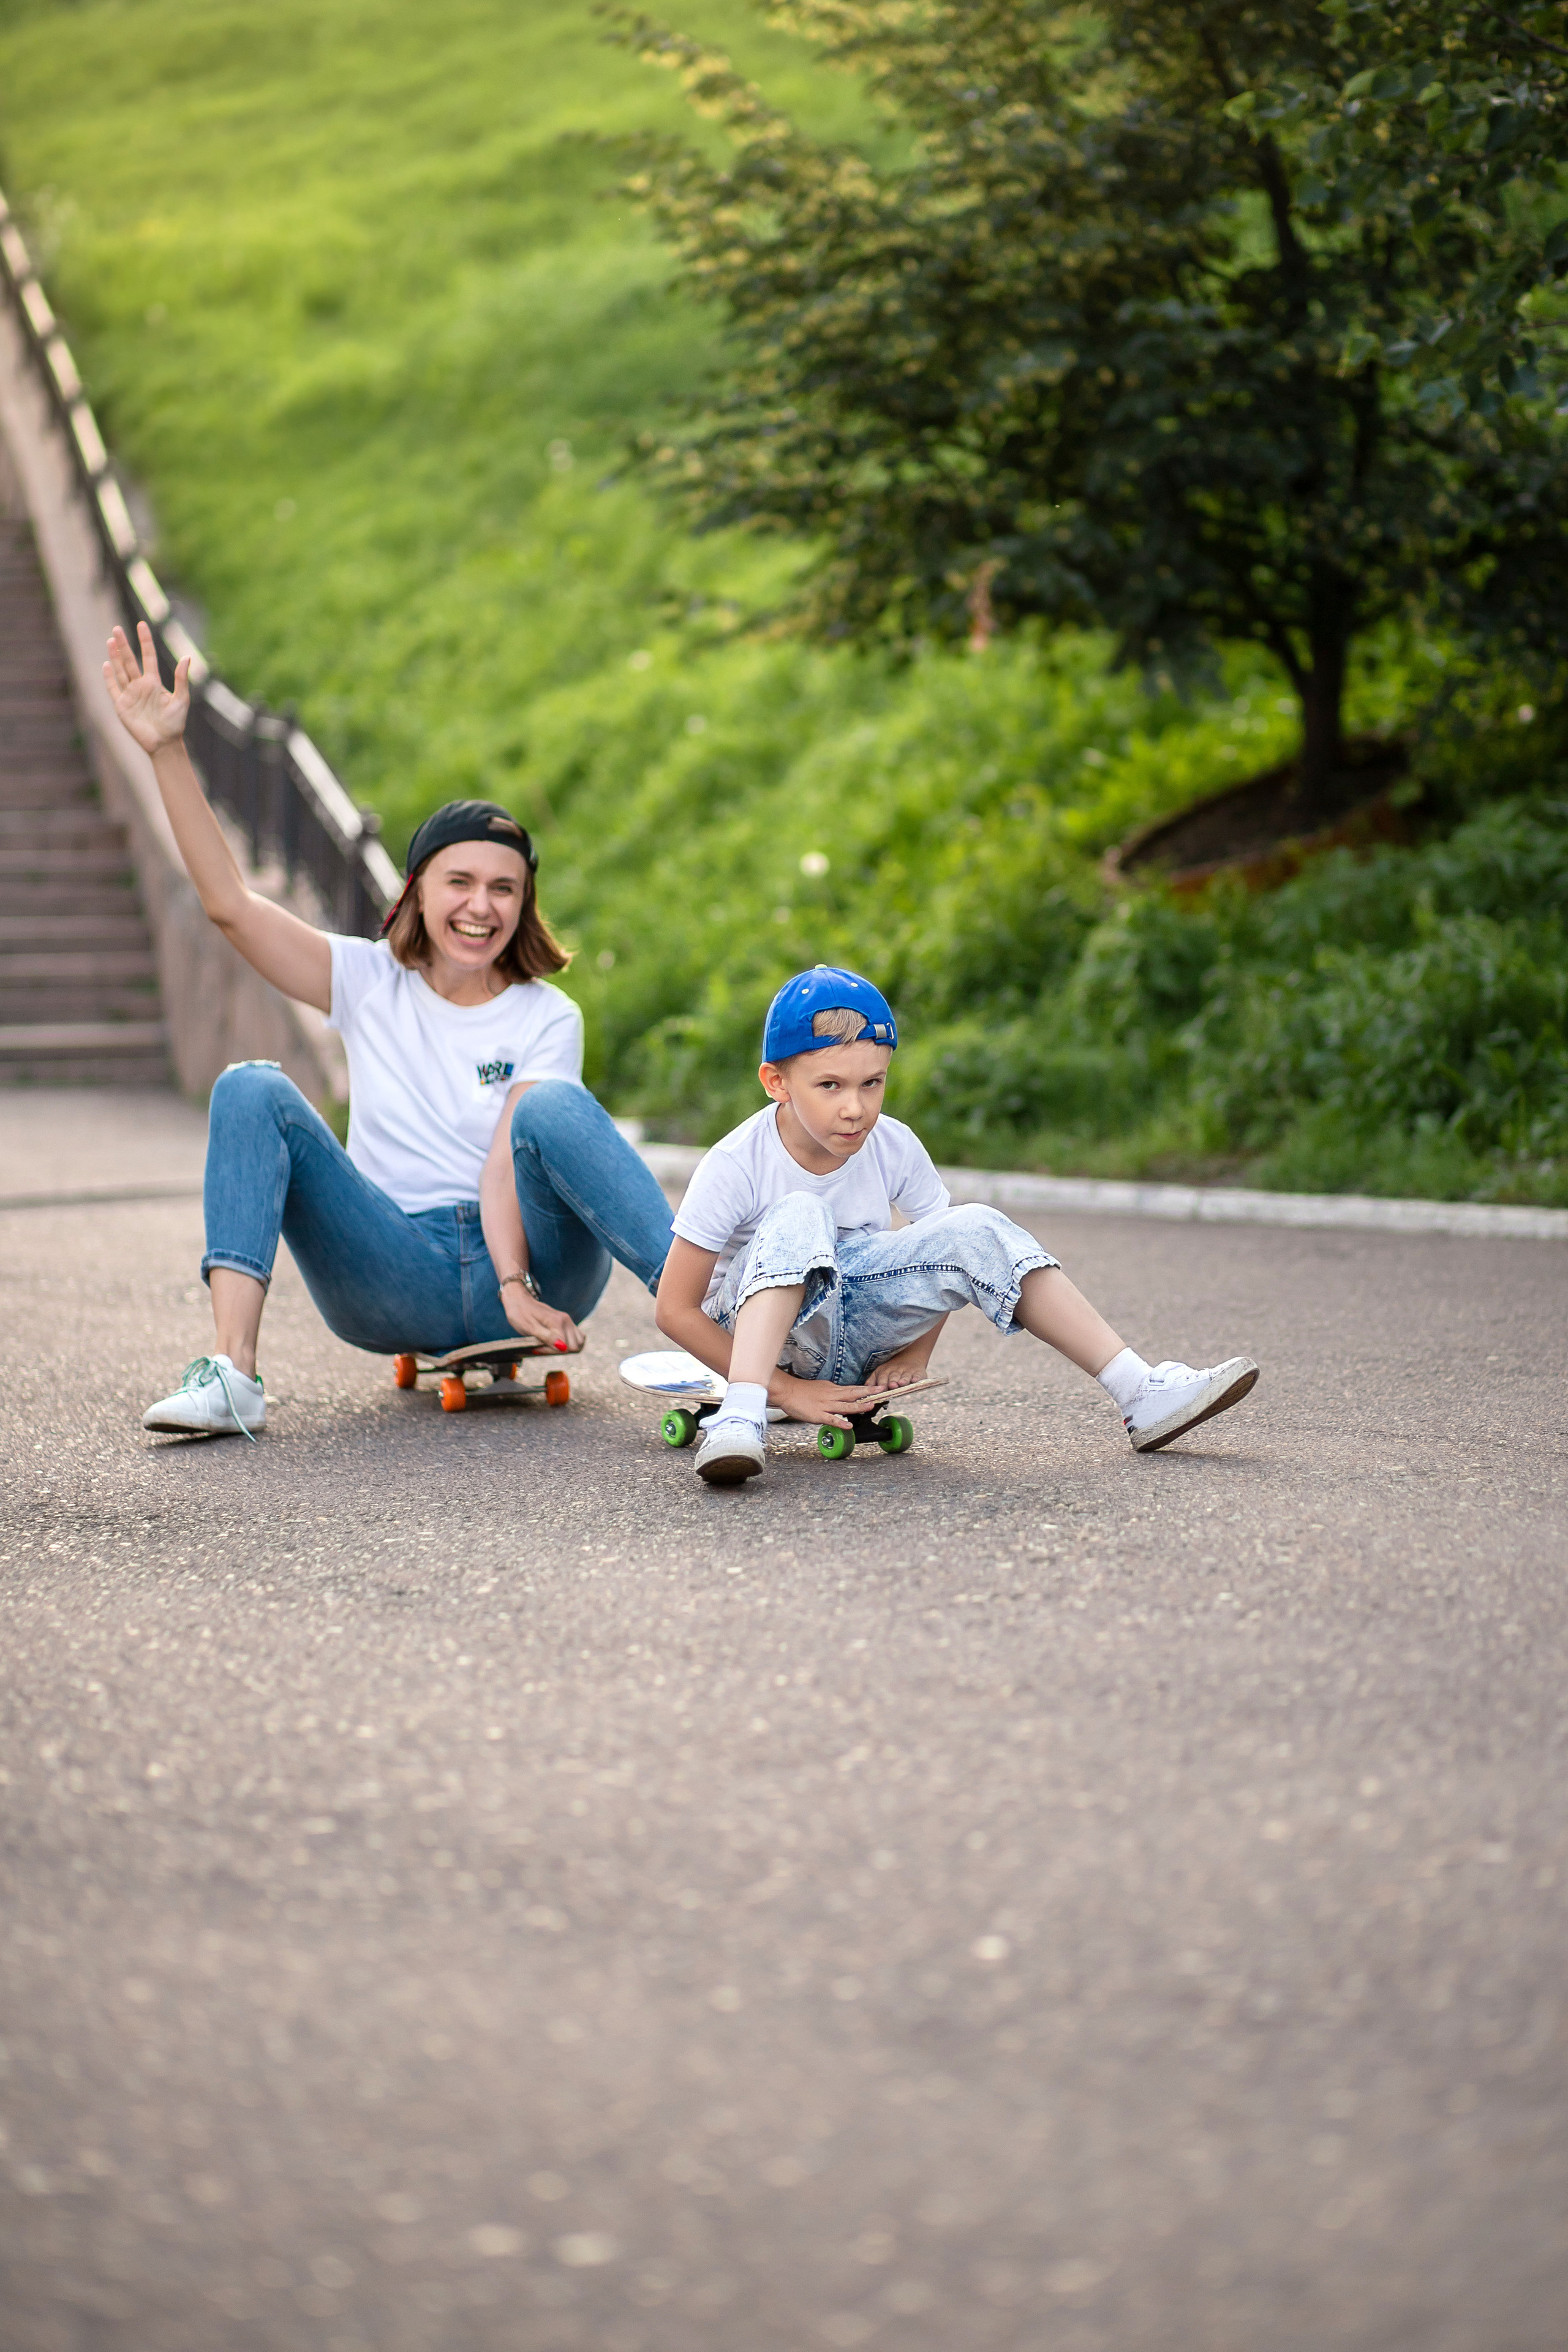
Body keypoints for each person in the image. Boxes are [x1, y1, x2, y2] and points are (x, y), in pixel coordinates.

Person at [103, 621, 673, 1438]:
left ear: (525, 904)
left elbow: (516, 1163)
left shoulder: (550, 1014)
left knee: (551, 1107)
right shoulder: (369, 982)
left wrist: (514, 1280)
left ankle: (716, 1324)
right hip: (393, 1266)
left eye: (505, 889)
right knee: (250, 1087)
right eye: (461, 882)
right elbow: (231, 905)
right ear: (415, 890)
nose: (482, 907)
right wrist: (166, 750)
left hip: (542, 1272)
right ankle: (232, 1374)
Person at [654, 964, 1259, 1485]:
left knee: (973, 1224)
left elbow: (943, 1256)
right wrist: (782, 1392)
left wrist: (915, 1352)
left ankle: (1140, 1392)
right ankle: (739, 1419)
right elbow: (675, 1309)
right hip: (756, 1348)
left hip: (855, 1337)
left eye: (873, 1083)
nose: (855, 1107)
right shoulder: (737, 1162)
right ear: (776, 1083)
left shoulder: (893, 1145)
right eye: (830, 1086)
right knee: (801, 1212)